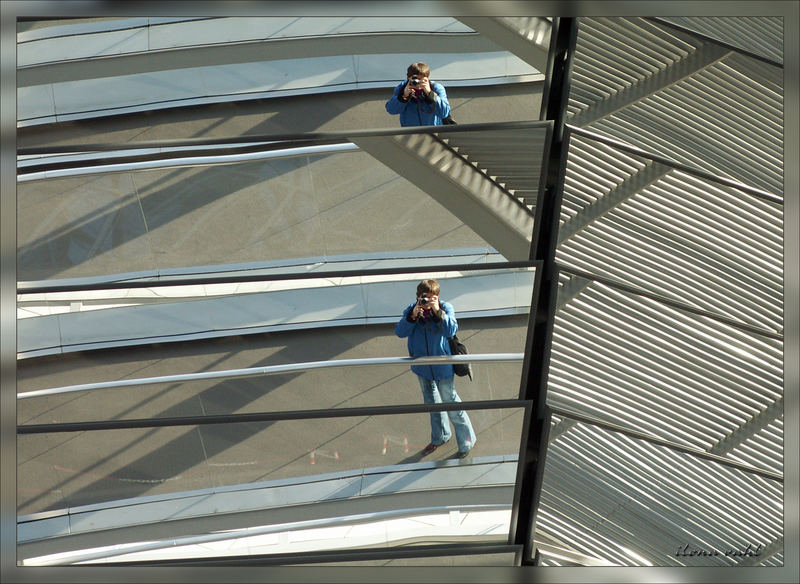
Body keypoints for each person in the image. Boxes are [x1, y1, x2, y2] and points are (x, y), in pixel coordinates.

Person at [394, 279, 476, 458]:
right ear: (418, 298)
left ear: (438, 298)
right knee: (432, 405)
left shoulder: (445, 308)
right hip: (422, 367)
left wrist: (438, 312)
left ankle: (467, 440)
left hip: (442, 367)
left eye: (433, 298)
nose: (428, 302)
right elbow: (400, 331)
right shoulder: (411, 311)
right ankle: (440, 437)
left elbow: (451, 329)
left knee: (451, 402)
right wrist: (412, 317)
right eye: (425, 298)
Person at [385, 62, 451, 127]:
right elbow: (391, 110)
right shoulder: (402, 88)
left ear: (427, 78)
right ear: (408, 78)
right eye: (415, 79)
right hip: (411, 134)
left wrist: (430, 93)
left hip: (433, 132)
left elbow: (444, 112)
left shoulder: (436, 87)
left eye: (421, 79)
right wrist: (404, 96)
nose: (417, 82)